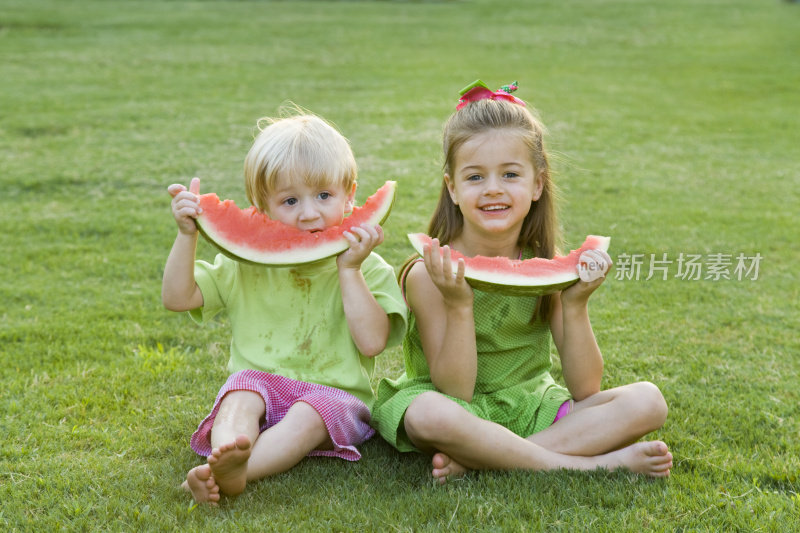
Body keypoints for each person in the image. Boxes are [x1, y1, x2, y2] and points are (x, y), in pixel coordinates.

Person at [371, 80, 672, 484]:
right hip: (459, 411)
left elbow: (585, 387)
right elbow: (455, 391)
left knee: (649, 401)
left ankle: (483, 458)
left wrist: (575, 304)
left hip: (534, 407)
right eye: (475, 177)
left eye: (510, 174)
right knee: (429, 414)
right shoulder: (430, 273)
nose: (493, 188)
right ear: (453, 189)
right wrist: (459, 304)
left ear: (537, 184)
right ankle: (586, 463)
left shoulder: (547, 268)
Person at [163, 111, 407, 505]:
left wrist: (349, 271)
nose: (309, 213)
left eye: (324, 196)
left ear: (350, 194)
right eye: (290, 200)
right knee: (239, 396)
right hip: (262, 383)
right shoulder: (245, 264)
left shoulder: (370, 269)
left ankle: (235, 472)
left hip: (335, 397)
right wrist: (186, 236)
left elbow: (372, 342)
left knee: (308, 414)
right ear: (262, 207)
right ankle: (229, 453)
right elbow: (178, 298)